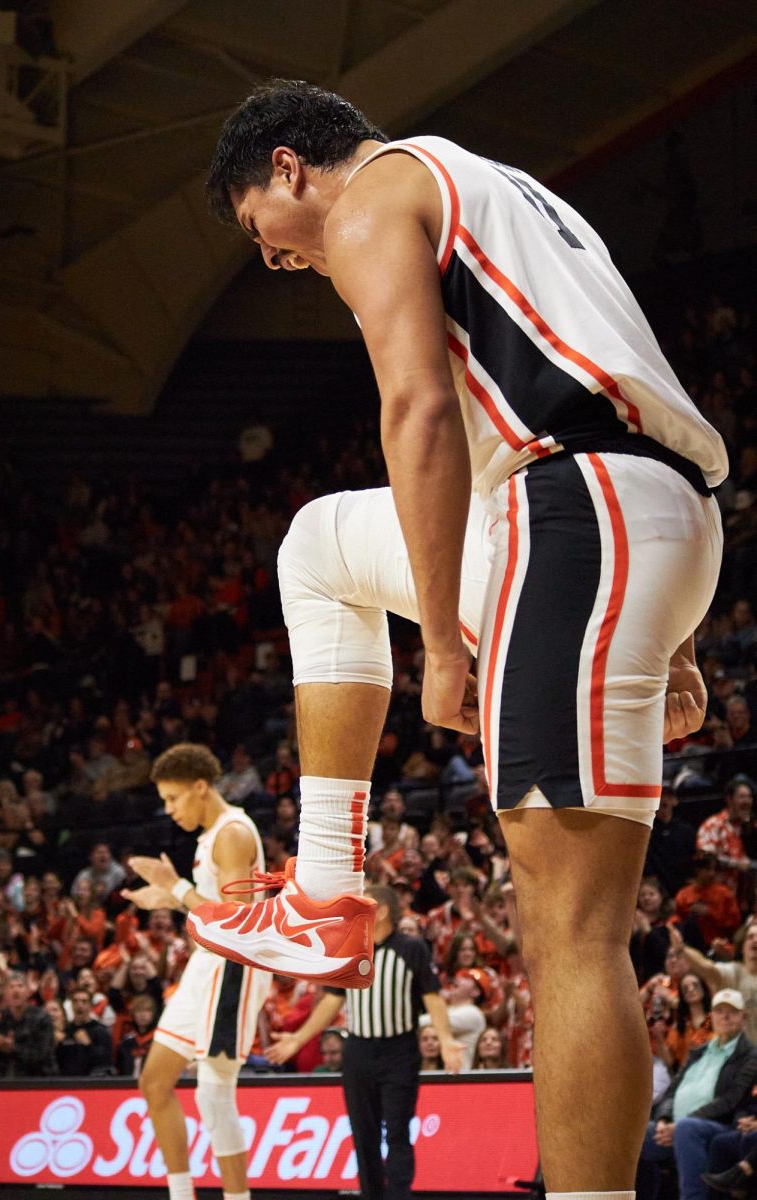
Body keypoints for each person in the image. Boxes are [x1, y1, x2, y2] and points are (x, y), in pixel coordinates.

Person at [189, 78, 728, 1200]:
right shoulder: (515, 193)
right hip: (631, 521)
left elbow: (420, 410)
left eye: (259, 232)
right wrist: (669, 626)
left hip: (576, 518)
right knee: (317, 546)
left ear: (288, 166)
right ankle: (326, 889)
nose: (277, 260)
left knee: (572, 936)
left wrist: (439, 636)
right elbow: (627, 378)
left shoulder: (372, 196)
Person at [123, 743, 271, 1200]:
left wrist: (177, 888)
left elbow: (236, 918)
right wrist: (165, 898)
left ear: (201, 788)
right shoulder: (211, 836)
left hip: (234, 968)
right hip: (206, 966)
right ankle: (181, 1194)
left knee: (213, 1091)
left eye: (173, 798)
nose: (168, 810)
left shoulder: (231, 833)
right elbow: (209, 906)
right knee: (154, 1082)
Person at [264, 885, 464, 1199]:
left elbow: (432, 997)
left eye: (364, 905)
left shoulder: (412, 949)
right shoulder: (353, 948)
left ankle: (399, 1195)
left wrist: (447, 1040)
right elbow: (332, 1001)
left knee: (398, 1131)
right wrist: (299, 1038)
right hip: (358, 1051)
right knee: (363, 1134)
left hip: (399, 1050)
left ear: (381, 910)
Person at [637, 989, 757, 1200]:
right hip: (674, 1126)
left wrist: (683, 1122)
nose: (725, 1016)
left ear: (743, 1017)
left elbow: (731, 1099)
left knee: (687, 1129)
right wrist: (664, 1119)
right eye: (720, 1011)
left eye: (732, 1011)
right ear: (712, 1015)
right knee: (635, 1132)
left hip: (717, 1124)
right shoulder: (698, 1051)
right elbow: (671, 1091)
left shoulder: (750, 1055)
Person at [669, 922, 757, 1041]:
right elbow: (707, 968)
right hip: (741, 1055)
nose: (755, 940)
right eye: (750, 937)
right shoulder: (734, 972)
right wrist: (681, 948)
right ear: (742, 946)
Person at [0, 972, 55, 1078]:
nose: (16, 990)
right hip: (5, 1083)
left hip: (37, 1081)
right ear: (4, 993)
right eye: (11, 987)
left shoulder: (41, 1018)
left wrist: (13, 1048)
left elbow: (42, 1055)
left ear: (28, 992)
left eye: (20, 986)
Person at [55, 985, 113, 1077]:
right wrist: (56, 1045)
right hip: (67, 1083)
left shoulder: (101, 1031)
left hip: (92, 1083)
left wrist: (88, 1045)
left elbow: (107, 1062)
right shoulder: (65, 1031)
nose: (79, 1005)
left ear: (90, 1005)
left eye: (84, 1001)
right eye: (75, 1001)